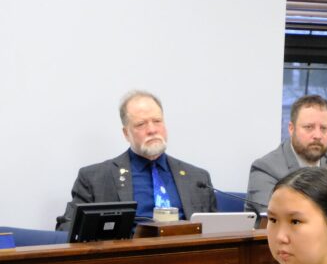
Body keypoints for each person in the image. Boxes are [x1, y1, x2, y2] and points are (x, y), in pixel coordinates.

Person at [56, 90, 215, 232]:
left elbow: (218, 233)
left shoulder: (197, 178)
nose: (152, 130)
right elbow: (67, 229)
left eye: (157, 121)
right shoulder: (95, 178)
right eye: (141, 124)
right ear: (126, 133)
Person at [247, 94, 327, 212]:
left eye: (324, 128)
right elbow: (278, 216)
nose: (317, 136)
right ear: (291, 129)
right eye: (309, 127)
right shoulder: (266, 168)